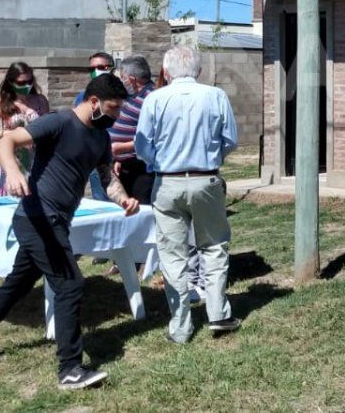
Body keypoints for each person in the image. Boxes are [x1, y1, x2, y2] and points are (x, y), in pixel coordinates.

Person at [0, 74, 140, 391]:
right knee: (70, 285)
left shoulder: (99, 138)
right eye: (113, 108)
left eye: (120, 110)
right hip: (38, 218)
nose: (116, 115)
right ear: (94, 102)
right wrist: (13, 171)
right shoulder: (59, 122)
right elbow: (7, 140)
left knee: (17, 283)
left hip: (54, 220)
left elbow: (107, 178)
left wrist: (124, 198)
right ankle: (70, 369)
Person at [135, 45, 240, 343]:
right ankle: (218, 314)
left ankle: (180, 326)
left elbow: (142, 145)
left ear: (166, 72)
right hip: (206, 179)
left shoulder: (154, 99)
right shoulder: (215, 96)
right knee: (214, 246)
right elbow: (231, 139)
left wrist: (157, 162)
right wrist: (212, 158)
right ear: (199, 70)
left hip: (167, 181)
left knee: (172, 254)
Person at [0, 62, 49, 197]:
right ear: (11, 82)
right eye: (21, 82)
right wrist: (9, 133)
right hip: (11, 154)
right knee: (8, 192)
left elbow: (47, 126)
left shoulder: (40, 100)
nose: (26, 85)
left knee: (33, 193)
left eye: (29, 81)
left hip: (35, 155)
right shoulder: (2, 103)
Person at [110, 55, 156, 204]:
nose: (121, 80)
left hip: (142, 169)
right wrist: (118, 158)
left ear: (132, 79)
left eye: (123, 77)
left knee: (141, 211)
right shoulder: (129, 96)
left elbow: (155, 136)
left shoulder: (153, 98)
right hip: (123, 165)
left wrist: (122, 148)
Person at [75, 52, 115, 201]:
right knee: (103, 204)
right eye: (91, 69)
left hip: (123, 160)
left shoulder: (121, 93)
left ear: (110, 68)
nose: (95, 72)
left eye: (99, 67)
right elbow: (79, 126)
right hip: (98, 160)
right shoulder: (84, 96)